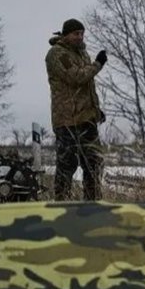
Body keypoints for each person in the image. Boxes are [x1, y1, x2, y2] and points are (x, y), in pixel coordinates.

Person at [45, 18, 107, 201]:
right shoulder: (57, 54)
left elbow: (87, 87)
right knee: (67, 164)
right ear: (66, 35)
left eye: (82, 34)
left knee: (94, 163)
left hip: (86, 119)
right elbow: (76, 77)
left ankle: (92, 204)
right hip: (67, 120)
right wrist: (98, 64)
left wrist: (96, 110)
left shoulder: (82, 53)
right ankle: (62, 204)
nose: (80, 37)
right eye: (76, 34)